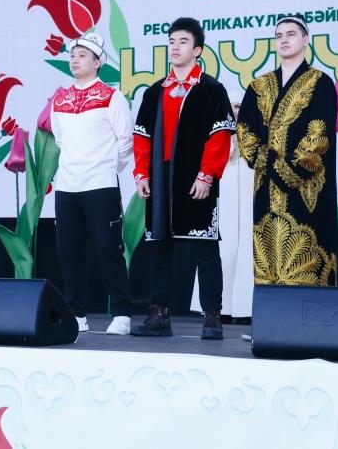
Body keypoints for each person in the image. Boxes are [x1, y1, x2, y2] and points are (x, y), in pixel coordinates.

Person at [132, 18, 236, 339]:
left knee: (205, 248)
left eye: (183, 42)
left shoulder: (211, 89)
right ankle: (159, 315)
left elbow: (219, 136)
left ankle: (212, 317)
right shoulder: (154, 92)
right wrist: (141, 173)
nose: (175, 47)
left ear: (197, 50)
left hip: (194, 178)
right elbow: (142, 136)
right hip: (161, 179)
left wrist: (207, 175)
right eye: (172, 41)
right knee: (158, 248)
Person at [236, 15, 338, 287]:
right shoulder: (258, 86)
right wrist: (268, 161)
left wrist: (287, 169)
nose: (284, 40)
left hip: (308, 189)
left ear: (305, 39)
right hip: (266, 189)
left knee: (306, 259)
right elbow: (245, 131)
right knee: (267, 262)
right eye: (279, 36)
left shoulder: (320, 82)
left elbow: (318, 135)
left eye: (291, 34)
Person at [51, 31, 134, 335]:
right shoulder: (60, 98)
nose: (75, 60)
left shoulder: (112, 97)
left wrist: (107, 167)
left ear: (98, 62)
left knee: (108, 248)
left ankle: (122, 313)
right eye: (72, 55)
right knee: (69, 252)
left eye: (83, 55)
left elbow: (126, 141)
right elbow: (60, 140)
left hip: (101, 184)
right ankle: (76, 314)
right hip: (67, 185)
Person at [192, 101, 254, 320]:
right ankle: (218, 307)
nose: (236, 111)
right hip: (223, 195)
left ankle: (246, 308)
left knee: (248, 246)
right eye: (232, 107)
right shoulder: (215, 132)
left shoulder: (255, 132)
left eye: (240, 107)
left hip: (248, 194)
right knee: (222, 248)